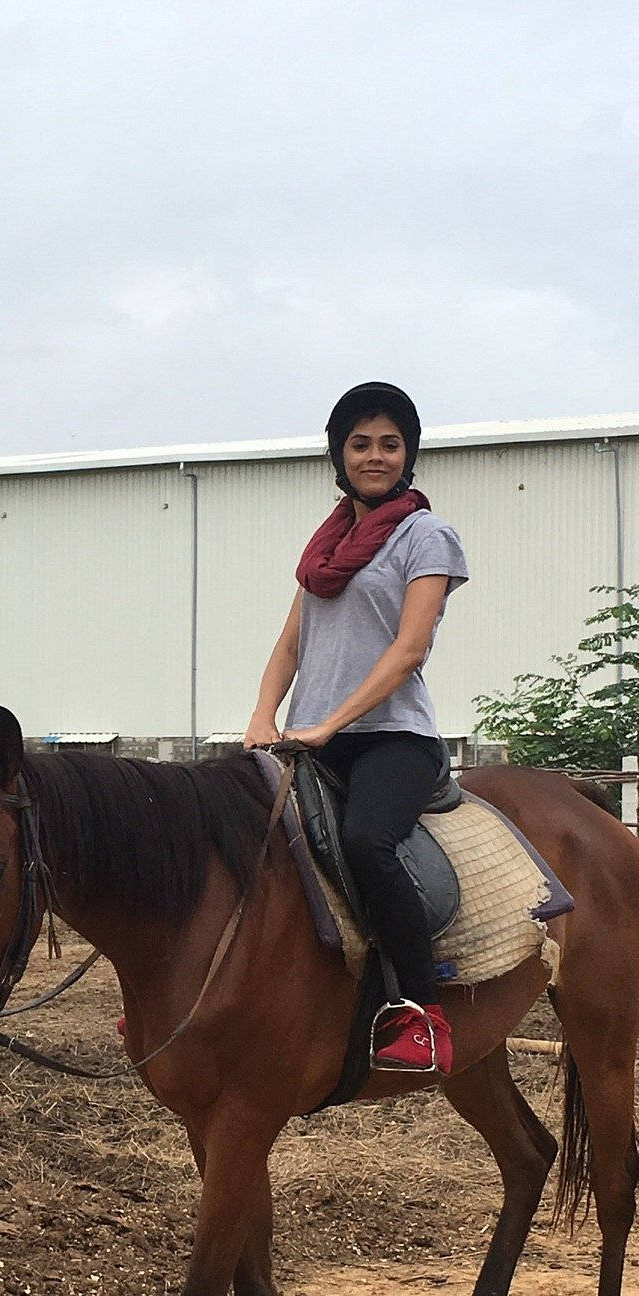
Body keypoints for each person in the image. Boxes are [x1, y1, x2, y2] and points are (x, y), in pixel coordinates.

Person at [244, 382, 468, 1073]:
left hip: (393, 738)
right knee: (234, 836)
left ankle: (423, 1014)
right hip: (314, 734)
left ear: (409, 454)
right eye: (361, 443)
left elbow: (409, 651)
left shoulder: (425, 535)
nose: (376, 456)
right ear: (340, 455)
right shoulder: (326, 547)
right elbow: (292, 642)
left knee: (367, 842)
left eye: (390, 444)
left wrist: (329, 722)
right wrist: (263, 714)